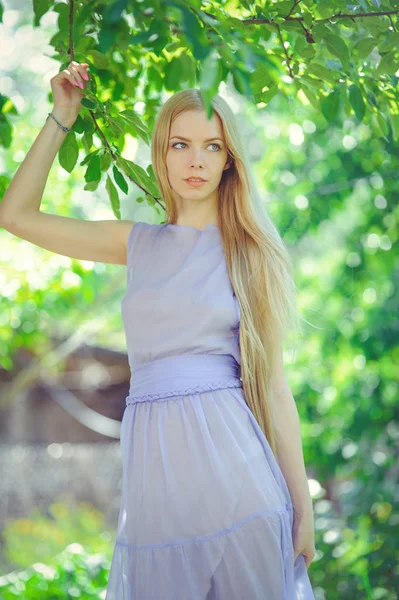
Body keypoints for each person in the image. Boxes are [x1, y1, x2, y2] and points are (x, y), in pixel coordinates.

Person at [0, 61, 316, 599]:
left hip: (235, 471)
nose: (196, 160)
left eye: (213, 146)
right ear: (160, 153)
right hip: (156, 476)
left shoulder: (250, 255)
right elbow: (16, 214)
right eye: (180, 145)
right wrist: (61, 116)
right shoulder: (137, 244)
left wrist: (302, 510)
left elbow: (273, 387)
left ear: (229, 160)